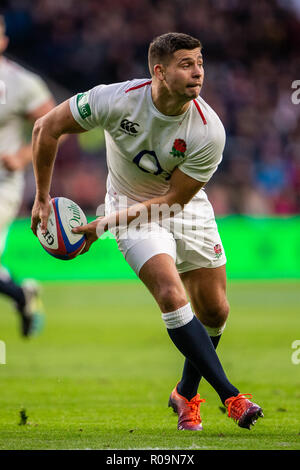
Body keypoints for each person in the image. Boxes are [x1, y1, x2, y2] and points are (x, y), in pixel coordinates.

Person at [31, 32, 263, 430]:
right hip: (127, 207)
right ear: (159, 71)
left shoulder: (209, 130)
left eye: (200, 63)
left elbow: (175, 198)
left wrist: (101, 224)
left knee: (215, 310)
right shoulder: (114, 99)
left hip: (183, 208)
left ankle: (185, 394)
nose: (198, 73)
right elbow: (45, 128)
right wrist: (41, 196)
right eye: (186, 64)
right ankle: (232, 396)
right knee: (171, 294)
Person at [0, 15, 55, 337]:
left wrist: (21, 156)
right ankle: (23, 295)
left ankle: (21, 295)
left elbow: (53, 126)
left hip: (2, 182)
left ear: (4, 41)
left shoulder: (20, 82)